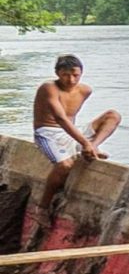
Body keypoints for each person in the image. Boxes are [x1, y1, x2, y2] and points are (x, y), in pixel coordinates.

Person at [31, 56, 120, 214]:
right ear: (57, 73)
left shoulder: (85, 90)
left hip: (71, 131)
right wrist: (84, 142)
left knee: (113, 116)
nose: (71, 80)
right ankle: (42, 208)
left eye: (75, 75)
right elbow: (60, 118)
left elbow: (70, 119)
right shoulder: (49, 88)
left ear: (81, 74)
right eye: (65, 75)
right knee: (64, 166)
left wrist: (88, 143)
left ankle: (93, 146)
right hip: (47, 133)